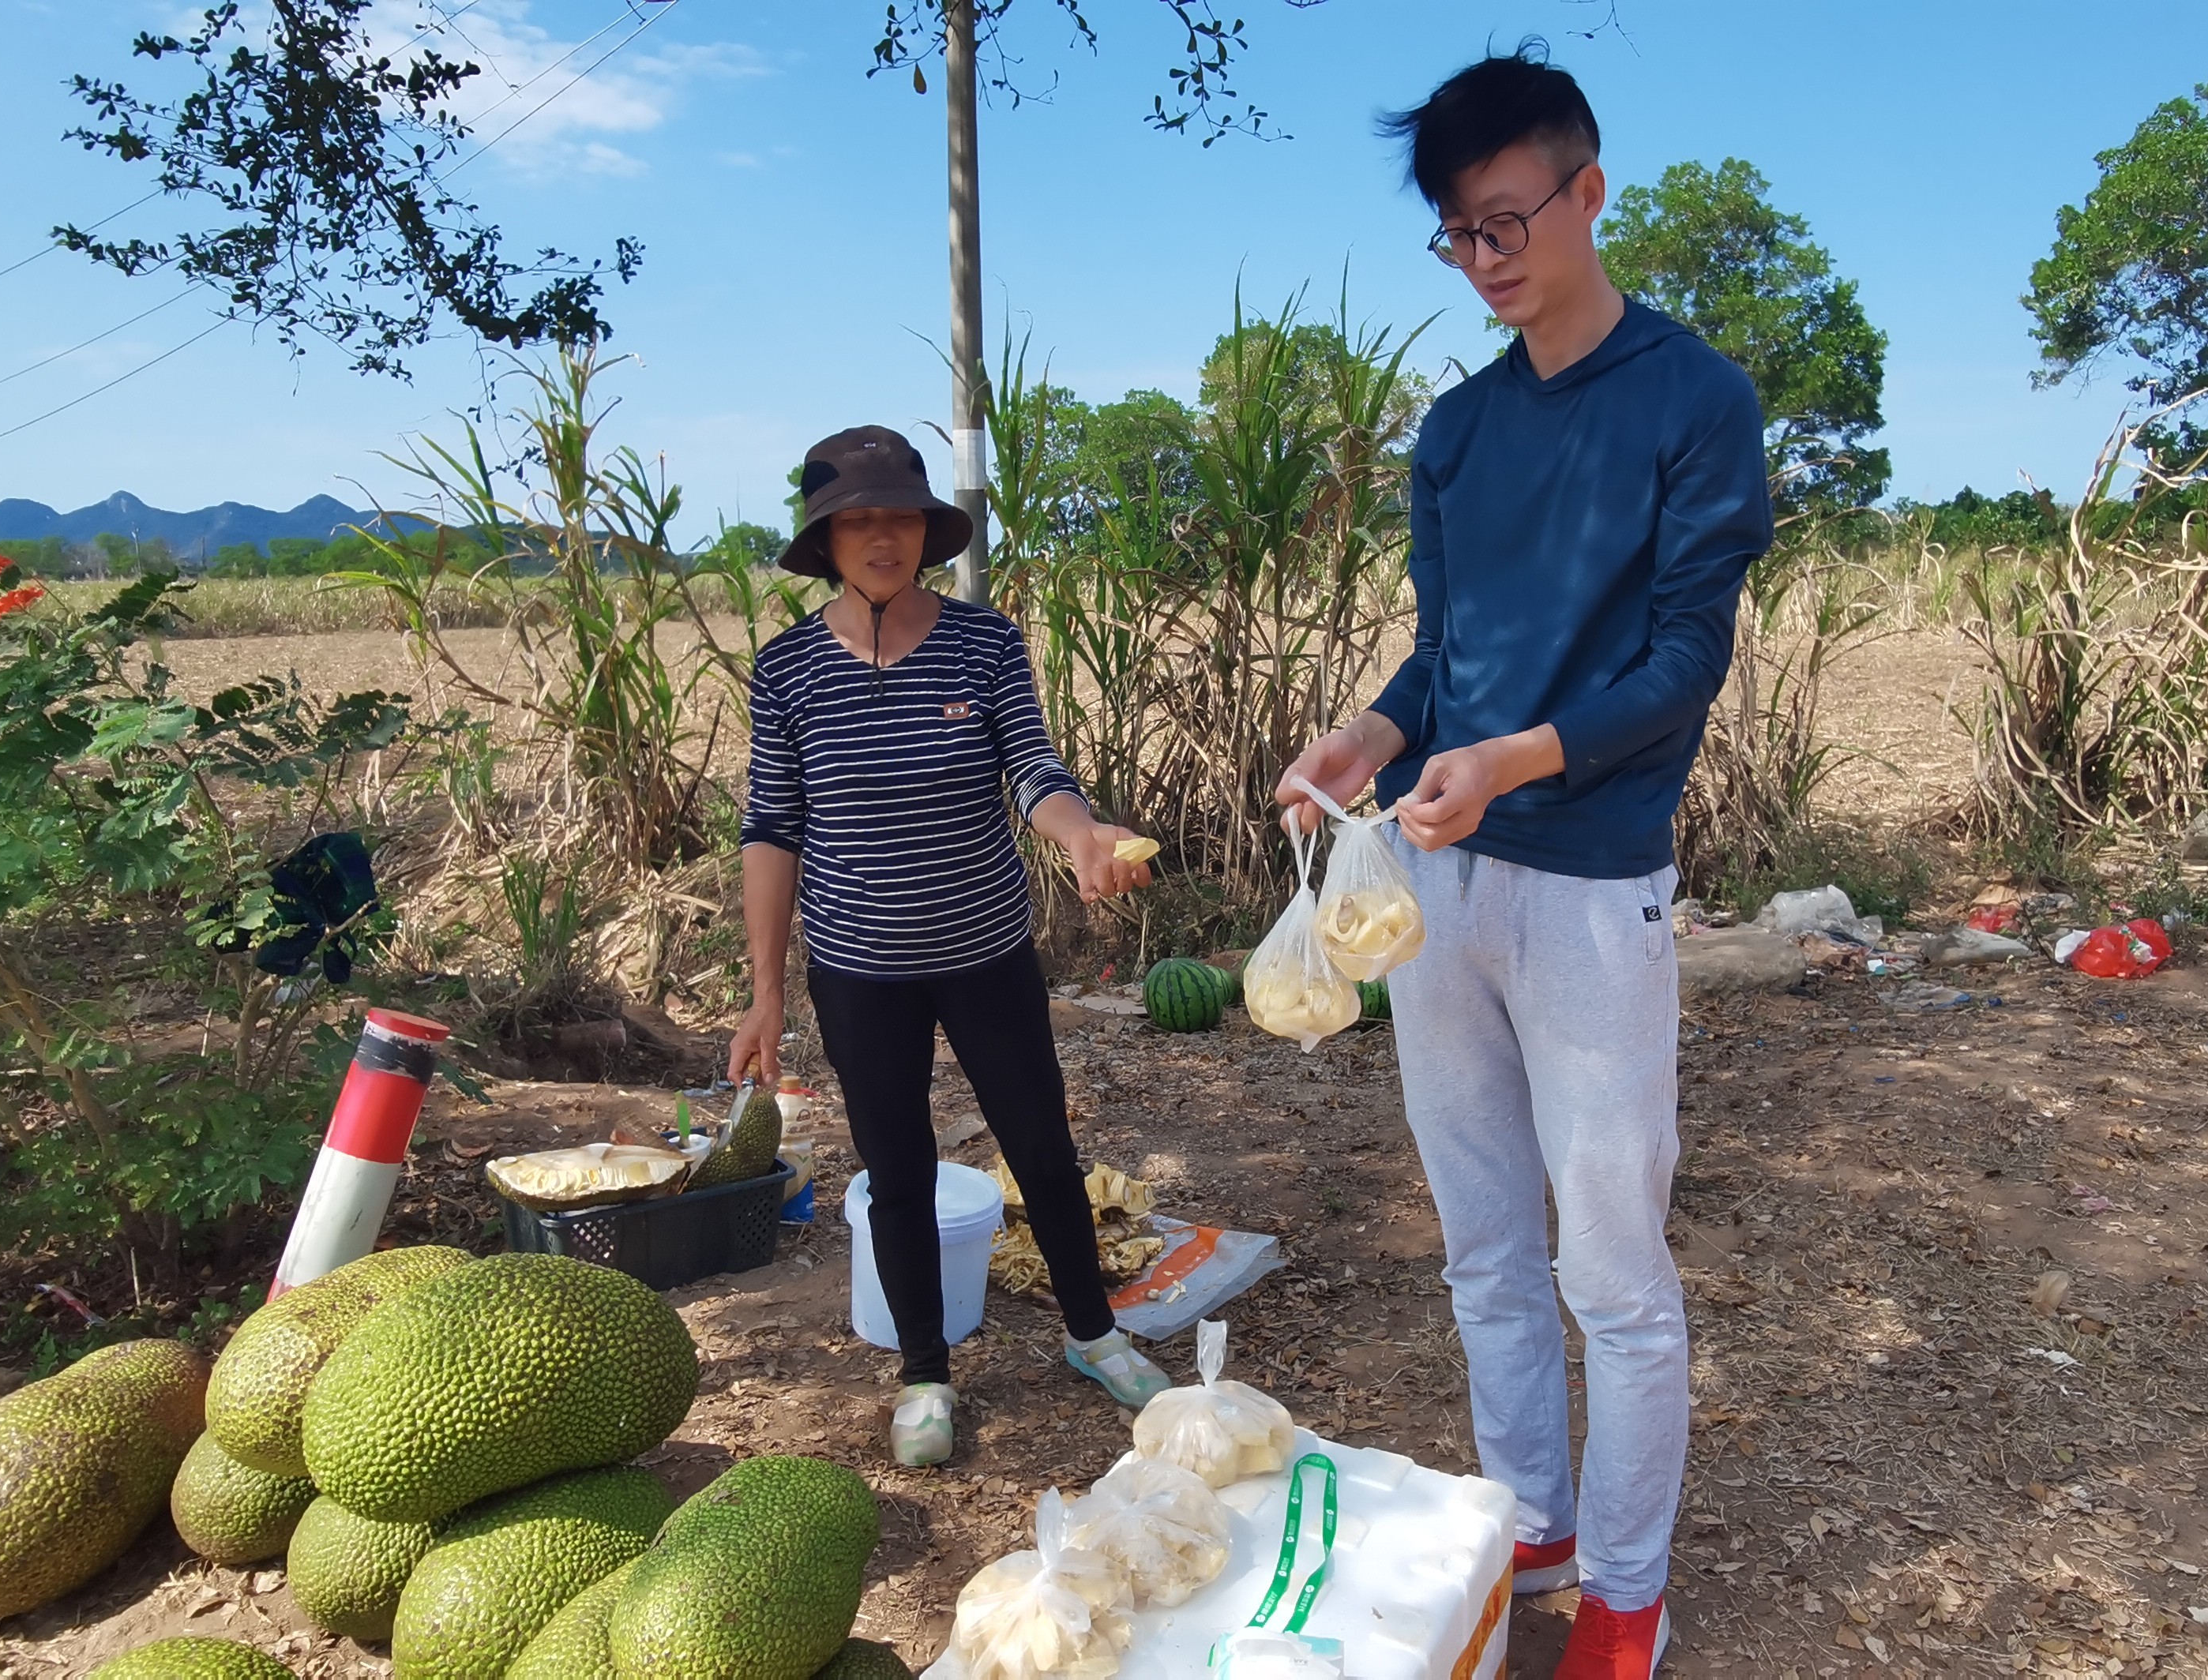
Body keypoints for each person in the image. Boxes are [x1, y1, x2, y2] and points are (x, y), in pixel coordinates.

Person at [1275, 50, 1769, 1678]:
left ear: (1587, 191)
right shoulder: (1459, 429)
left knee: (1607, 1261)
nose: (1486, 260)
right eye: (1456, 236)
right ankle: (1532, 1519)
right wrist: (1372, 732)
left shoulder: (1693, 401)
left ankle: (1626, 1585)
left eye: (1506, 221)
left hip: (1586, 882)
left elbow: (1680, 663)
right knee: (1483, 1237)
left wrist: (1514, 760)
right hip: (1437, 877)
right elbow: (1447, 653)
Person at [729, 425, 1174, 1468]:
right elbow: (772, 828)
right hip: (857, 969)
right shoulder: (788, 670)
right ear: (825, 538)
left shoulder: (983, 643)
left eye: (901, 517)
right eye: (859, 519)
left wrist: (1082, 837)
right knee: (897, 1169)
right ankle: (925, 1370)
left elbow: (1034, 770)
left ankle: (1094, 1333)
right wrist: (764, 994)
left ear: (928, 531)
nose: (883, 536)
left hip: (985, 950)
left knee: (1041, 1147)